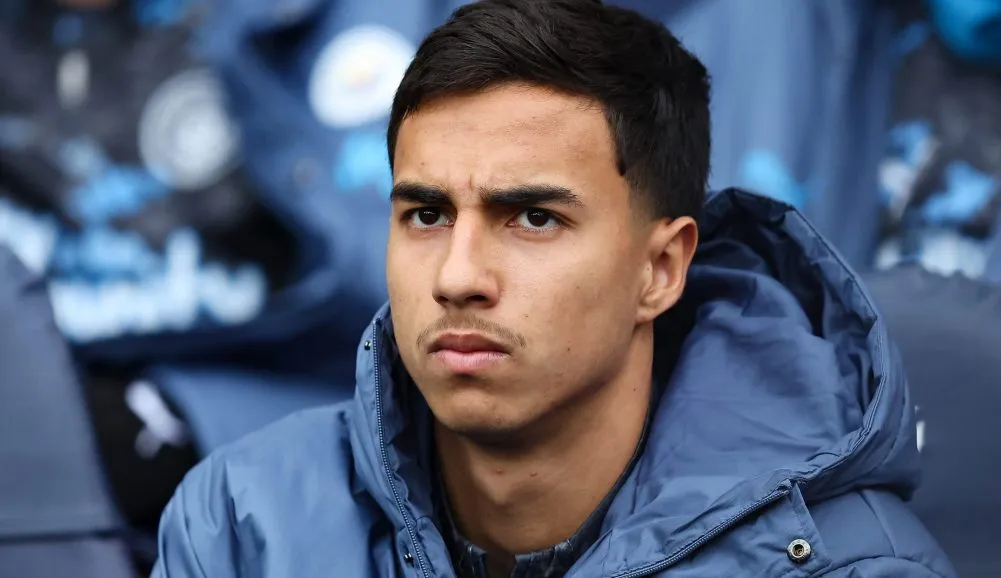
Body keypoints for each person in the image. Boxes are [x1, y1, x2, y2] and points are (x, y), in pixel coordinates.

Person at [151, 1, 956, 576]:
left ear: (661, 269)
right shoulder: (242, 524)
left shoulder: (848, 568)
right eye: (427, 214)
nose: (458, 277)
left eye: (532, 219)